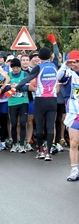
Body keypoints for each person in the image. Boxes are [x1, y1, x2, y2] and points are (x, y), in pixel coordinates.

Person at [58, 50, 79, 181]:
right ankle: (74, 170)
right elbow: (59, 77)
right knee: (74, 143)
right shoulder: (68, 73)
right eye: (73, 62)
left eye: (77, 61)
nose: (75, 64)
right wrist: (65, 65)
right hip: (74, 113)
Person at [4, 58, 29, 153]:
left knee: (23, 123)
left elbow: (28, 87)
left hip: (23, 102)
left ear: (20, 67)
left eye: (17, 67)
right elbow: (4, 87)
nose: (15, 69)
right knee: (13, 124)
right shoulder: (9, 76)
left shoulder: (24, 74)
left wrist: (18, 86)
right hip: (12, 103)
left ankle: (22, 144)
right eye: (13, 68)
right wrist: (10, 87)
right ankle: (15, 144)